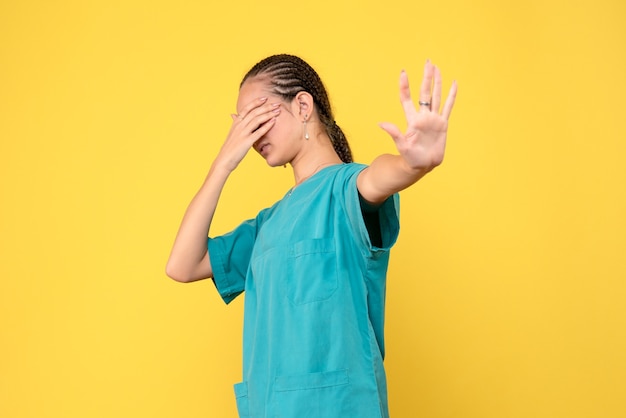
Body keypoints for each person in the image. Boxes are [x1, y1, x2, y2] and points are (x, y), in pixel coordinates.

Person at [166, 54, 457, 418]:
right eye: (242, 126)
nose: (251, 136)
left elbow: (379, 177)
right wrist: (224, 162)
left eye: (258, 117)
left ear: (302, 105)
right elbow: (182, 264)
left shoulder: (345, 188)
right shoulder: (267, 226)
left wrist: (414, 163)